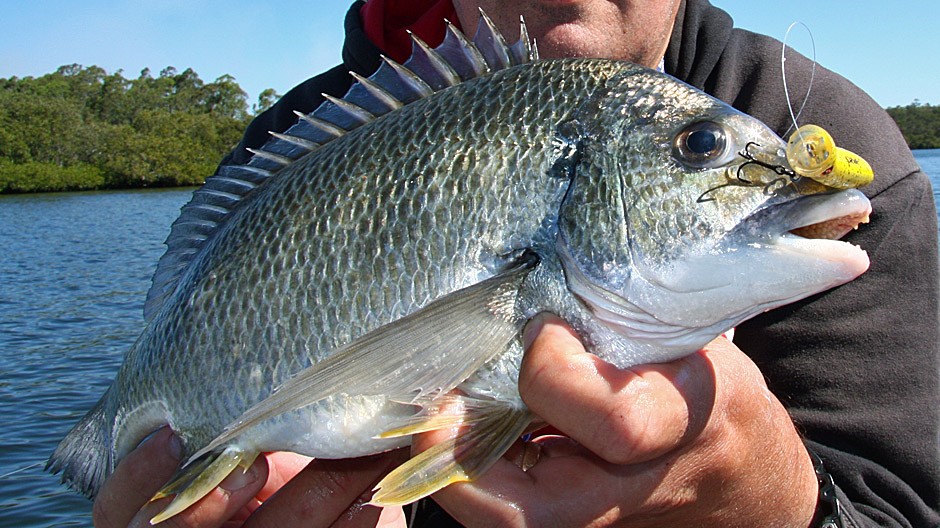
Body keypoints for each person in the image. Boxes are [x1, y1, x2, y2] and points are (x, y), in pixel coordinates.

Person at [92, 0, 940, 526]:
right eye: (701, 147)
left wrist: (770, 505)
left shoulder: (834, 132)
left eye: (698, 146)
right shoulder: (300, 139)